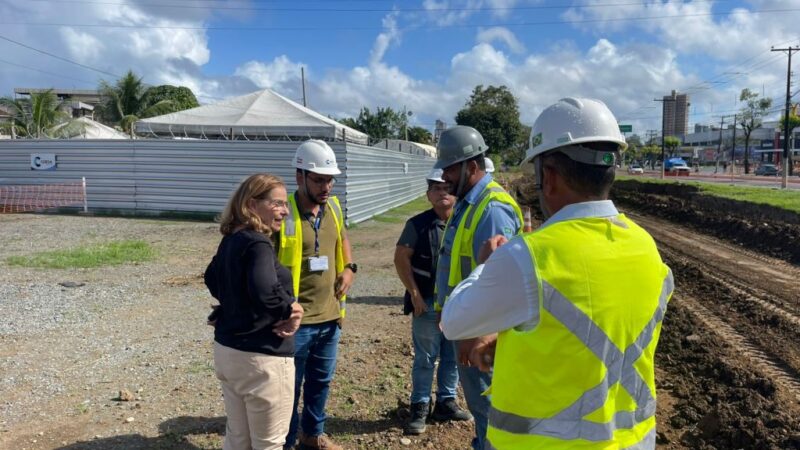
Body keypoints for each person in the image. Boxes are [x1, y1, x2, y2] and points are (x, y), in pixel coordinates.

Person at [441, 97, 674, 449]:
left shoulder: (528, 258)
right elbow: (591, 335)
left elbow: (454, 322)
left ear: (547, 176)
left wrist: (487, 264)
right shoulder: (646, 248)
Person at [433, 125, 523, 450]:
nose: (443, 174)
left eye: (449, 167)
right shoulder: (468, 202)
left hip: (479, 336)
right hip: (467, 325)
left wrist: (474, 336)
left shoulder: (492, 209)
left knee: (488, 410)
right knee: (480, 408)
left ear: (471, 166)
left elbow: (498, 284)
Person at [204, 173, 305, 450]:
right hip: (263, 361)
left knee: (238, 439)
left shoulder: (231, 239)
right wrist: (291, 307)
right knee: (269, 444)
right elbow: (264, 289)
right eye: (278, 204)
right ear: (251, 205)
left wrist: (234, 305)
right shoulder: (258, 243)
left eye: (285, 204)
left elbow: (212, 278)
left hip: (230, 353)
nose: (285, 211)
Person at [278, 140, 356, 450]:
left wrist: (349, 268)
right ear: (299, 176)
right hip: (295, 322)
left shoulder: (333, 207)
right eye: (319, 179)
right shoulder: (282, 212)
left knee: (320, 384)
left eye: (330, 179)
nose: (326, 186)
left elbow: (344, 238)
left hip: (330, 316)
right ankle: (283, 442)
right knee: (288, 388)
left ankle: (312, 435)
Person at [394, 168, 472, 435]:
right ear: (428, 195)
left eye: (447, 188)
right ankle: (420, 407)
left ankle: (446, 402)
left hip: (457, 304)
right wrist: (414, 294)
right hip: (426, 303)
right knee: (426, 357)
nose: (443, 193)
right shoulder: (417, 224)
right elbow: (401, 258)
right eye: (436, 189)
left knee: (452, 355)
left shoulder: (463, 223)